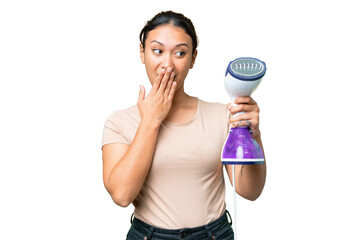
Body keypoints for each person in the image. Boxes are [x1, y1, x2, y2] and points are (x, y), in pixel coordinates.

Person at [101, 11, 266, 240]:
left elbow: (250, 191)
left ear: (193, 59)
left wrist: (253, 135)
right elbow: (121, 195)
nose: (167, 65)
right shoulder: (119, 122)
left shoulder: (221, 116)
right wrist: (150, 121)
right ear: (142, 52)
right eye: (157, 51)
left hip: (213, 235)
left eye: (180, 53)